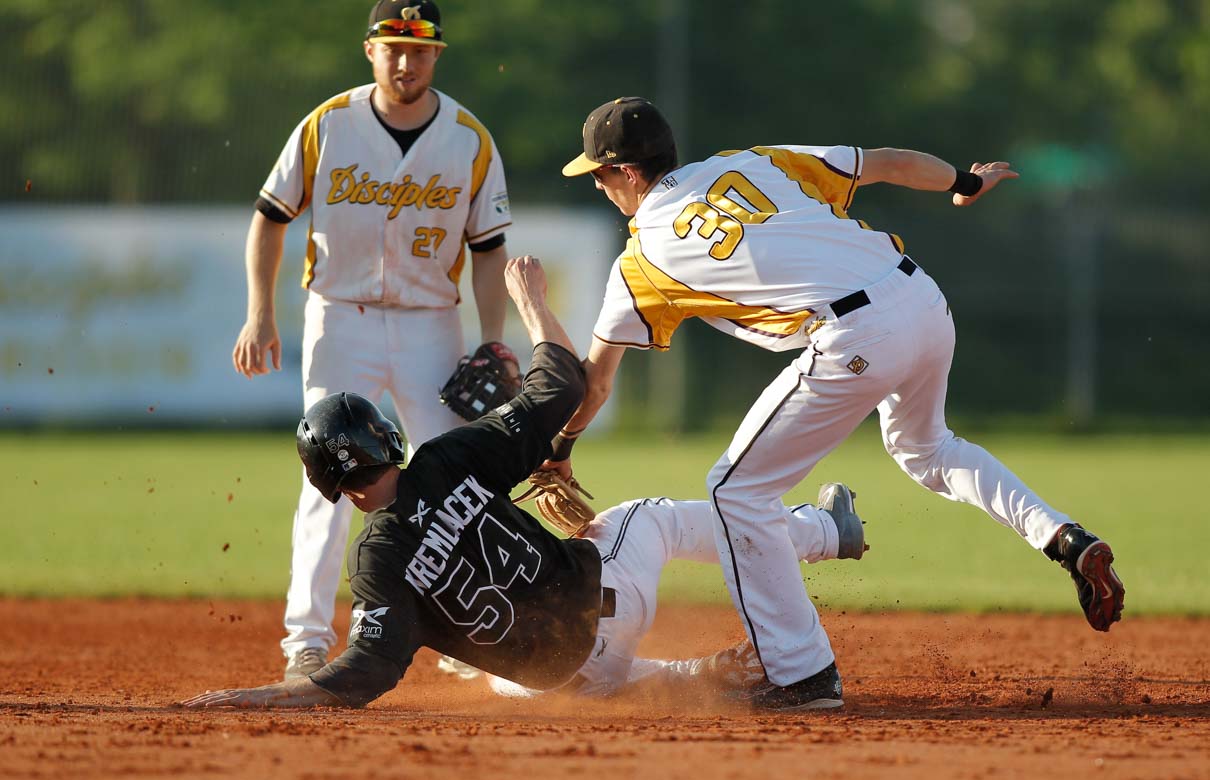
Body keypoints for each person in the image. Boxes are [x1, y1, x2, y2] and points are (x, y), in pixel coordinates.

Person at [549, 96, 1126, 711]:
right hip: (921, 297)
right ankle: (1064, 537)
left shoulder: (642, 260)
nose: (602, 187)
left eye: (602, 174)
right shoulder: (754, 162)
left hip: (854, 332)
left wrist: (559, 449)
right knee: (929, 450)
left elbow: (598, 381)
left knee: (735, 491)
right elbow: (891, 163)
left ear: (629, 173)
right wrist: (966, 181)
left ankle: (800, 673)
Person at [183, 257, 868, 712]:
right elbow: (562, 382)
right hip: (605, 611)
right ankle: (820, 532)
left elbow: (365, 670)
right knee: (648, 516)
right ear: (388, 438)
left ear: (331, 484)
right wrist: (532, 303)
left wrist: (260, 694)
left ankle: (700, 682)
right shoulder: (447, 460)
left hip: (556, 681)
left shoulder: (376, 564)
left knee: (498, 672)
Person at [231, 0, 514, 679]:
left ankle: (469, 636)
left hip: (430, 322)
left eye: (419, 49)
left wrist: (494, 338)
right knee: (328, 478)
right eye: (393, 46)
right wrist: (259, 313)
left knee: (454, 478)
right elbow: (270, 216)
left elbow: (490, 248)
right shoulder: (328, 125)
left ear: (437, 54)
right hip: (341, 317)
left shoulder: (469, 139)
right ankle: (305, 636)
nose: (406, 60)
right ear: (370, 50)